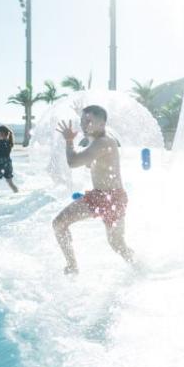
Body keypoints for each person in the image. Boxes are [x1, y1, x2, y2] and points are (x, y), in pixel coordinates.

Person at [52, 105, 134, 275]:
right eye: (82, 121)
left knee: (116, 244)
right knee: (117, 244)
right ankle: (137, 266)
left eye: (89, 121)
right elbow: (91, 162)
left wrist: (68, 141)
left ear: (103, 123)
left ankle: (73, 267)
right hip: (106, 197)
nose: (84, 125)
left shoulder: (103, 142)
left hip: (109, 198)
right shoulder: (96, 138)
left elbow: (73, 162)